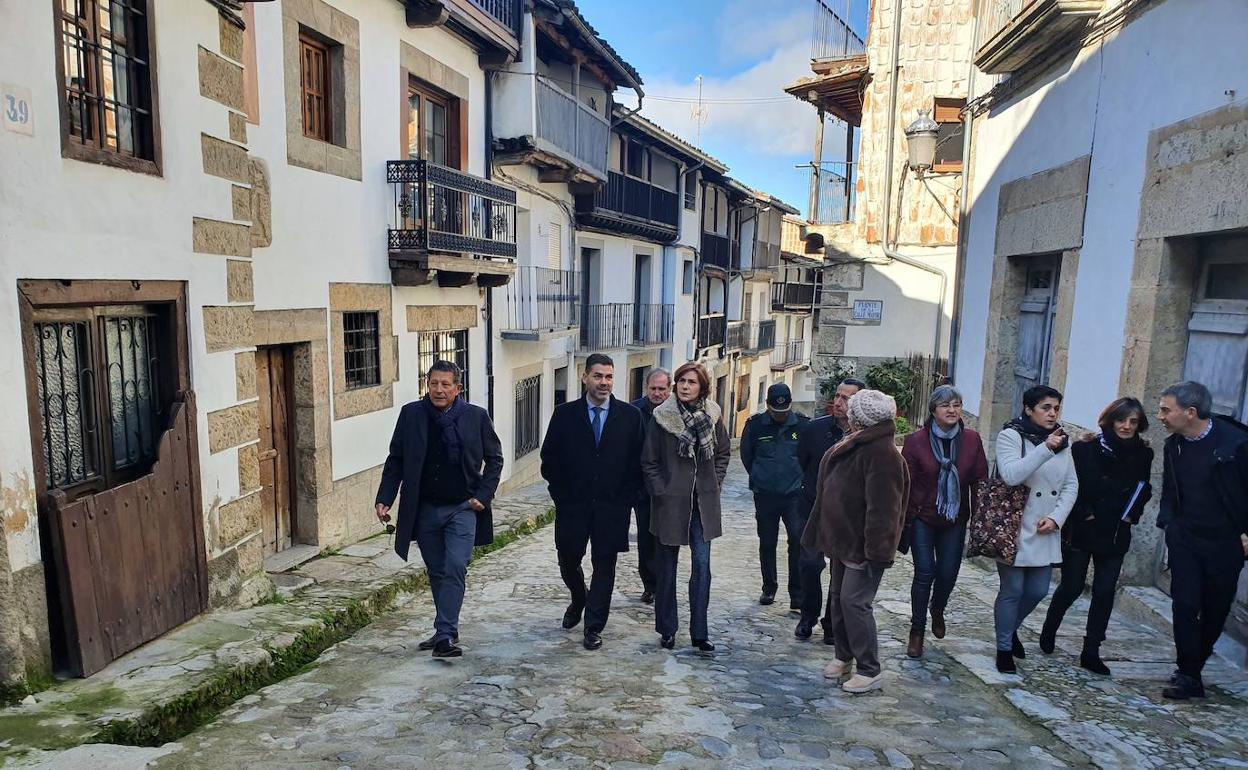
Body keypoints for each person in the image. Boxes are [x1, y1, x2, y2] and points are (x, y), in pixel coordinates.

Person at [375, 361, 504, 659]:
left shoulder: (476, 417)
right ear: (427, 384)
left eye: (446, 384)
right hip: (425, 509)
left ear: (458, 388)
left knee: (456, 565)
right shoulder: (412, 415)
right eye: (434, 383)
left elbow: (495, 459)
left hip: (463, 507)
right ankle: (446, 628)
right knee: (436, 571)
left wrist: (483, 496)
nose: (439, 390)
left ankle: (445, 634)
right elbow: (396, 459)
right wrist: (385, 498)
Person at [802, 389, 909, 694]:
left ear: (861, 417)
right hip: (842, 540)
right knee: (837, 598)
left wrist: (877, 551)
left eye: (851, 407)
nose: (844, 409)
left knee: (854, 602)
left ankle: (869, 668)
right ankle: (844, 655)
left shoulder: (882, 453)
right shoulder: (854, 440)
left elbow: (885, 509)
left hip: (864, 547)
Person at [1039, 397, 1153, 676]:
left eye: (1133, 422)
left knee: (1104, 591)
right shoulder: (1085, 447)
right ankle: (1049, 628)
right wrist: (1084, 513)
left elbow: (1143, 488)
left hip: (1115, 532)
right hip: (1082, 528)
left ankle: (1091, 650)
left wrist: (1130, 516)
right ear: (1110, 420)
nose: (1126, 426)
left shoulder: (1143, 454)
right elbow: (1071, 485)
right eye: (1121, 420)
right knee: (1073, 585)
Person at [540, 353, 644, 651]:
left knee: (605, 566)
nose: (604, 382)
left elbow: (638, 462)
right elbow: (550, 459)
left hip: (612, 508)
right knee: (568, 559)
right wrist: (561, 495)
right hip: (573, 506)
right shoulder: (565, 414)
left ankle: (594, 626)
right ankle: (578, 598)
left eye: (609, 377)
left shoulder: (630, 417)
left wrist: (627, 497)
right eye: (598, 376)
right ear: (584, 377)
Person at [1156, 381, 1248, 700]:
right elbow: (1171, 488)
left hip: (1226, 542)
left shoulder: (1237, 444)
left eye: (1166, 410)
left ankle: (1194, 667)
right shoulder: (1174, 446)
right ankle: (1187, 672)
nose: (1160, 416)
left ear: (1190, 412)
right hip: (1185, 538)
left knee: (1216, 608)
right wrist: (1169, 523)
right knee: (1184, 603)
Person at [642, 362, 730, 652]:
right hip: (670, 504)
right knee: (666, 568)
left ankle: (699, 632)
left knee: (702, 568)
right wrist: (662, 491)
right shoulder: (662, 417)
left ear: (701, 386)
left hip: (703, 504)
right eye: (681, 381)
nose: (684, 386)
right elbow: (649, 461)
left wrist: (714, 483)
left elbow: (722, 453)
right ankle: (667, 629)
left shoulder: (713, 415)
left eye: (691, 382)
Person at [992, 385, 1079, 674]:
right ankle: (1003, 647)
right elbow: (1012, 475)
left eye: (1056, 408)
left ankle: (1010, 628)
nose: (1052, 413)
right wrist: (1045, 448)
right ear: (1029, 409)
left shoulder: (1061, 441)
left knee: (1039, 590)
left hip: (1046, 526)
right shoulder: (1010, 436)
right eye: (1046, 407)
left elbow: (1071, 484)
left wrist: (1057, 518)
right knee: (1013, 589)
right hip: (1015, 525)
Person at [901, 385, 989, 659]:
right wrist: (903, 518)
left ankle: (937, 608)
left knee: (948, 573)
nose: (952, 410)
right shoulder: (917, 441)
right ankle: (917, 632)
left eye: (956, 405)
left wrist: (980, 518)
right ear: (933, 411)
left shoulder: (972, 440)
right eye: (945, 406)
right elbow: (906, 481)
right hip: (923, 517)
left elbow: (979, 479)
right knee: (925, 572)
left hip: (955, 518)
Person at [795, 378, 865, 641]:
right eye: (837, 396)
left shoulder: (863, 437)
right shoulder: (813, 430)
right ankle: (807, 615)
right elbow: (802, 462)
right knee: (810, 564)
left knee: (841, 570)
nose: (838, 402)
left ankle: (832, 623)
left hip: (847, 516)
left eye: (846, 398)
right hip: (812, 507)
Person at [741, 383, 809, 610]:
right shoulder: (755, 426)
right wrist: (761, 477)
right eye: (776, 410)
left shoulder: (802, 424)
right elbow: (747, 457)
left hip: (794, 496)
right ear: (768, 406)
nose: (780, 414)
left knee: (797, 542)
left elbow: (807, 457)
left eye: (784, 410)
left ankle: (797, 594)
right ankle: (769, 587)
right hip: (765, 495)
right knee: (767, 543)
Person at [630, 368, 671, 604]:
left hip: (670, 489)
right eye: (653, 389)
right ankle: (650, 585)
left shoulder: (677, 412)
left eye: (661, 389)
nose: (657, 393)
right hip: (642, 490)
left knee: (666, 538)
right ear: (647, 388)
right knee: (646, 539)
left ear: (669, 389)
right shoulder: (634, 412)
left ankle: (665, 582)